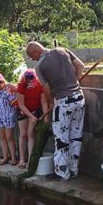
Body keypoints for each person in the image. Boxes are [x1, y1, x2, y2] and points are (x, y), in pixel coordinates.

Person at [26, 42, 85, 180]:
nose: (32, 59)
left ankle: (61, 172)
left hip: (63, 102)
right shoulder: (62, 50)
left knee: (61, 138)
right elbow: (80, 66)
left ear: (35, 52)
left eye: (31, 56)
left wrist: (52, 101)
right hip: (79, 99)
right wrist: (76, 81)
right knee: (76, 136)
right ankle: (73, 170)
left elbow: (46, 88)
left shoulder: (40, 66)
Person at [13, 69, 46, 168]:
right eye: (28, 80)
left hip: (35, 110)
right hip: (23, 110)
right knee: (23, 134)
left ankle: (30, 161)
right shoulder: (21, 85)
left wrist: (45, 116)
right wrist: (31, 116)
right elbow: (21, 104)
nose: (30, 82)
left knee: (31, 133)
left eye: (32, 79)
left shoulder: (40, 85)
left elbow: (44, 102)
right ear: (24, 79)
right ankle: (22, 159)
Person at [0, 72, 18, 165]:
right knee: (2, 137)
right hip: (0, 115)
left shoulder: (8, 89)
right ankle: (5, 157)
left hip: (9, 116)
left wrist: (11, 103)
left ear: (2, 82)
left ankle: (13, 158)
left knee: (9, 137)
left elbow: (15, 100)